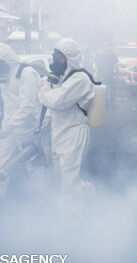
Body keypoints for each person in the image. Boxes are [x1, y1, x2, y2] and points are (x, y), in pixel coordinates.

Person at [39, 38, 96, 220]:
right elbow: (53, 104)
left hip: (74, 134)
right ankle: (86, 192)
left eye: (60, 57)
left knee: (68, 184)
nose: (55, 61)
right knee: (61, 178)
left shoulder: (80, 79)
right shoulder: (64, 77)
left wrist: (44, 87)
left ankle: (70, 226)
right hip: (60, 132)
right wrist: (47, 119)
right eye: (55, 56)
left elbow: (55, 100)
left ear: (70, 58)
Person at [0, 43, 41, 199]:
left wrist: (10, 126)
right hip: (9, 126)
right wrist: (0, 116)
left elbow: (28, 106)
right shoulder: (5, 73)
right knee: (2, 161)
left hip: (27, 127)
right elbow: (7, 101)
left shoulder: (26, 73)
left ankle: (42, 195)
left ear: (7, 59)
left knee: (32, 163)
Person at [95, 42, 118, 109]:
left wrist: (115, 73)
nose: (106, 47)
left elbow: (116, 64)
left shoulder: (112, 54)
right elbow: (96, 63)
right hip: (102, 74)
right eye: (105, 46)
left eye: (107, 46)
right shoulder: (99, 54)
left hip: (110, 74)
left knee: (112, 89)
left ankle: (111, 103)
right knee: (104, 89)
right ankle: (105, 104)